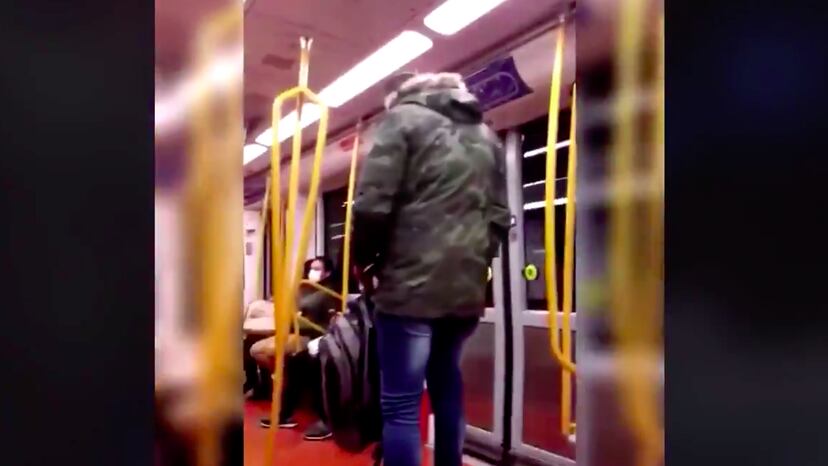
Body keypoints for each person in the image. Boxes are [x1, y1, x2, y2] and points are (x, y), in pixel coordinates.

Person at [351, 71, 511, 466]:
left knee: (401, 405)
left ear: (398, 97)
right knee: (447, 387)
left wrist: (364, 261)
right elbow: (499, 217)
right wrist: (475, 265)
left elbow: (372, 206)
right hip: (463, 293)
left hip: (408, 289)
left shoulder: (402, 120)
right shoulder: (487, 136)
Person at [250, 256, 340, 441]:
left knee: (303, 362)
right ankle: (284, 413)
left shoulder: (329, 293)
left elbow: (330, 323)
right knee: (294, 363)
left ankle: (326, 420)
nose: (312, 272)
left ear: (328, 273)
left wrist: (300, 320)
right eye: (312, 268)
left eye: (318, 269)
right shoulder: (303, 288)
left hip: (316, 336)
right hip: (301, 334)